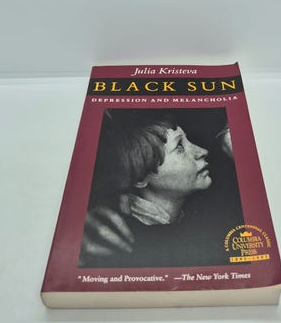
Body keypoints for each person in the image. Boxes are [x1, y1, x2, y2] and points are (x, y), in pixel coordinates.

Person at [78, 110, 217, 268]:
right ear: (141, 178)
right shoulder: (119, 242)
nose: (202, 151)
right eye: (179, 147)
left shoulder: (197, 218)